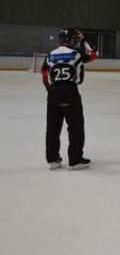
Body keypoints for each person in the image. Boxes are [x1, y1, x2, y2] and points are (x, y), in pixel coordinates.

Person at [41, 28, 97, 170]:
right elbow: (93, 55)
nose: (76, 42)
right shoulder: (76, 53)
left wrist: (52, 91)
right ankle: (75, 160)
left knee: (52, 128)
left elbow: (44, 75)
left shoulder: (50, 55)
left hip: (53, 93)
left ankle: (53, 159)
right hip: (70, 91)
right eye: (75, 39)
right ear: (70, 39)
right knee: (76, 126)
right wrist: (84, 40)